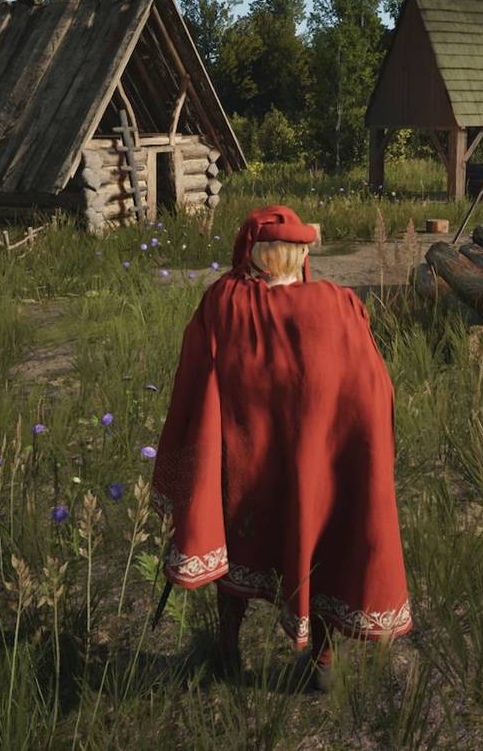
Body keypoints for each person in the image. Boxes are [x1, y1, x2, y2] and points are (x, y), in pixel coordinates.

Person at [149, 204, 411, 692]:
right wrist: (358, 451)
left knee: (237, 547)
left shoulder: (224, 302)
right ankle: (322, 660)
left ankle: (227, 650)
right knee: (322, 551)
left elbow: (193, 380)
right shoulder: (338, 303)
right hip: (318, 475)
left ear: (253, 254)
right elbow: (372, 386)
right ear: (302, 252)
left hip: (245, 474)